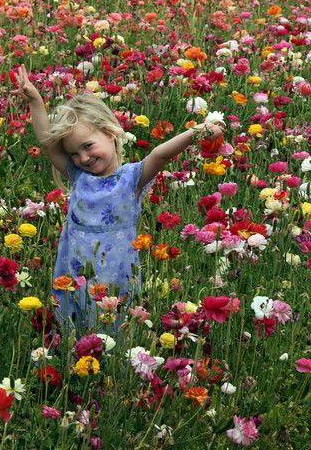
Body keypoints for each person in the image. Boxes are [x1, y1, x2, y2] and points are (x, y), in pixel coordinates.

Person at [13, 65, 224, 329]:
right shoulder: (78, 176)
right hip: (76, 270)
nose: (83, 158)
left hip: (115, 273)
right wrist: (35, 100)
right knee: (73, 327)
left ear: (110, 132)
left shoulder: (131, 179)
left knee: (113, 326)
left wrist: (197, 133)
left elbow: (160, 154)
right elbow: (46, 142)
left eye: (88, 146)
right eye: (74, 153)